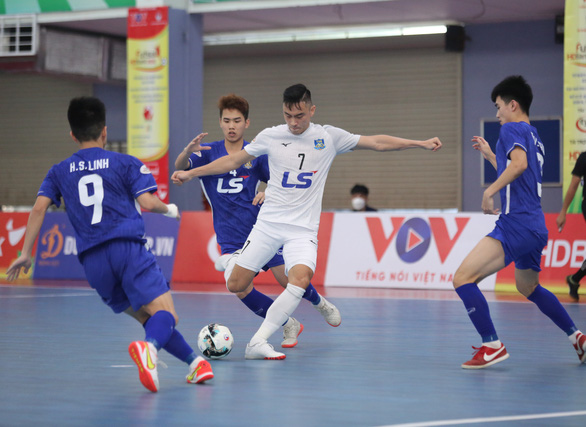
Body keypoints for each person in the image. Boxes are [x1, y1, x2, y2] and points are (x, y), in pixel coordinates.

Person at [172, 83, 442, 360]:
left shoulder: (329, 137)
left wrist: (418, 143)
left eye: (299, 115)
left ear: (312, 111)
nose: (293, 122)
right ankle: (311, 306)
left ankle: (259, 342)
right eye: (288, 115)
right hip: (267, 226)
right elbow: (232, 162)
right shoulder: (271, 136)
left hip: (302, 230)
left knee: (298, 280)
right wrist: (191, 174)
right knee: (236, 284)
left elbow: (376, 142)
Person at [6, 97, 213, 392]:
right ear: (104, 131)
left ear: (73, 135)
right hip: (127, 249)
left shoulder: (58, 171)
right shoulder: (125, 162)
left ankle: (196, 365)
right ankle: (149, 350)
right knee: (168, 315)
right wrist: (171, 210)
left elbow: (38, 209)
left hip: (93, 263)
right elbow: (147, 201)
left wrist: (26, 253)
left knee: (148, 316)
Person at [174, 94, 341, 349]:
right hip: (228, 234)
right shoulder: (208, 153)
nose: (232, 126)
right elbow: (181, 168)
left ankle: (320, 303)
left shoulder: (258, 151)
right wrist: (186, 152)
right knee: (241, 289)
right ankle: (288, 324)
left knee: (286, 279)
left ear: (247, 123)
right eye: (227, 121)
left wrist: (268, 191)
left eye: (237, 121)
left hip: (261, 228)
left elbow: (281, 180)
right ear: (220, 122)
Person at [453, 75, 586, 369]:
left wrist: (489, 191)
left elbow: (519, 166)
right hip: (537, 226)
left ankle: (492, 345)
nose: (497, 113)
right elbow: (519, 172)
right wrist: (491, 157)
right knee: (528, 287)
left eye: (499, 106)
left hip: (517, 224)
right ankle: (576, 336)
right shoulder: (534, 135)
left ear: (513, 105)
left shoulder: (511, 129)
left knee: (462, 278)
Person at [556, 151, 586, 301]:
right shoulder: (584, 158)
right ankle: (575, 279)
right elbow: (574, 185)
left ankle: (575, 278)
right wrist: (563, 212)